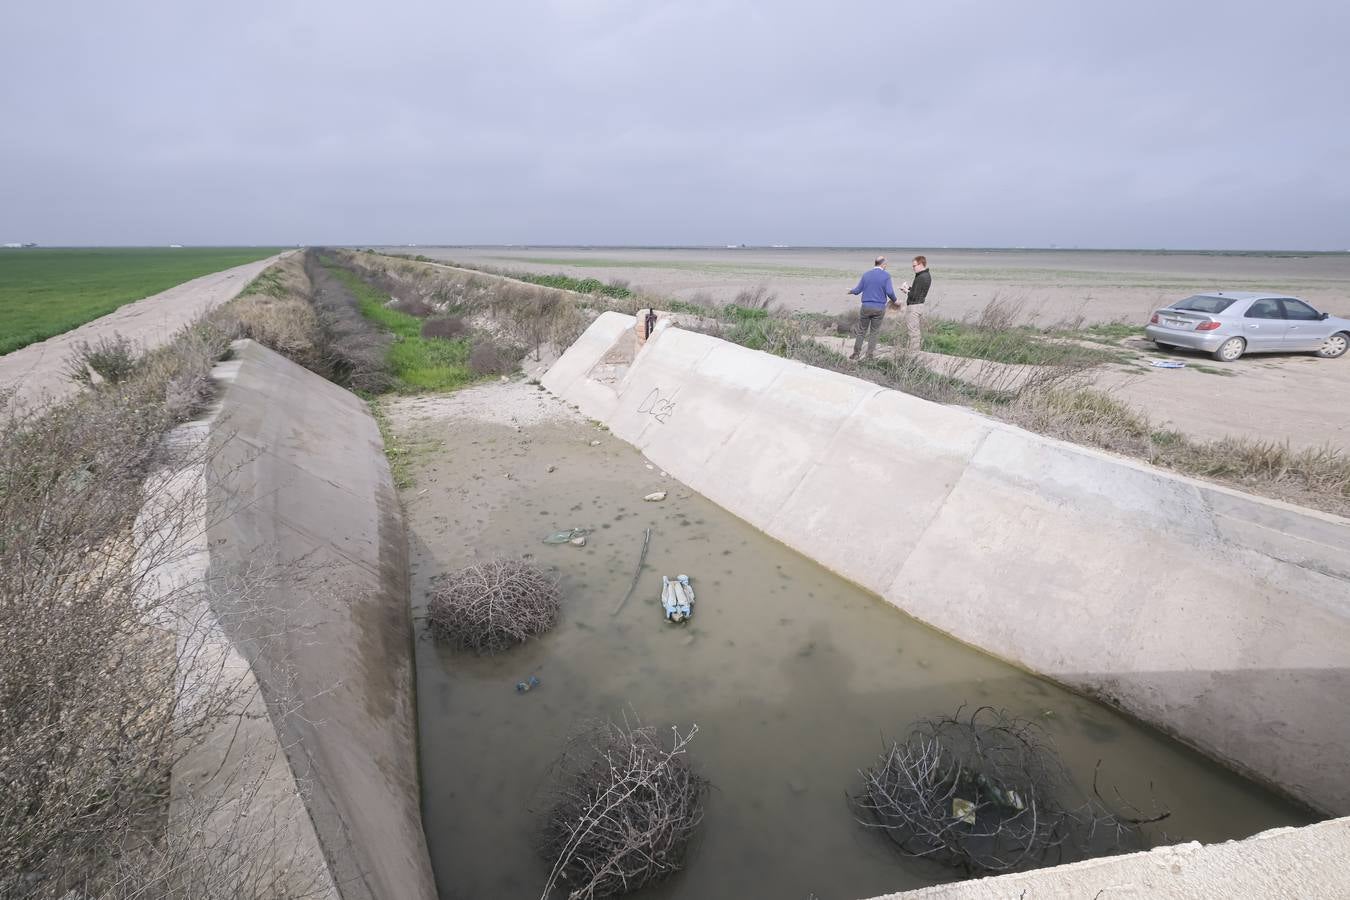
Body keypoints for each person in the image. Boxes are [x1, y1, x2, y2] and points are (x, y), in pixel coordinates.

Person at [847, 256, 898, 360]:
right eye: (886, 264)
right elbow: (889, 292)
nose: (886, 266)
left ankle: (856, 353)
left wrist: (851, 291)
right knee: (874, 332)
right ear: (883, 264)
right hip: (879, 308)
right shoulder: (886, 276)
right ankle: (869, 356)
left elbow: (857, 290)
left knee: (861, 331)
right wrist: (895, 300)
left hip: (866, 306)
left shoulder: (866, 275)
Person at [899, 256, 932, 353]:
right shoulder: (924, 275)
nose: (913, 268)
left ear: (921, 264)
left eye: (914, 266)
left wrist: (905, 291)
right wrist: (908, 288)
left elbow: (914, 295)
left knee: (913, 332)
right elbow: (917, 290)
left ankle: (913, 354)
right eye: (913, 266)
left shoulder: (922, 277)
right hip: (918, 305)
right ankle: (914, 352)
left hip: (914, 306)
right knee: (915, 331)